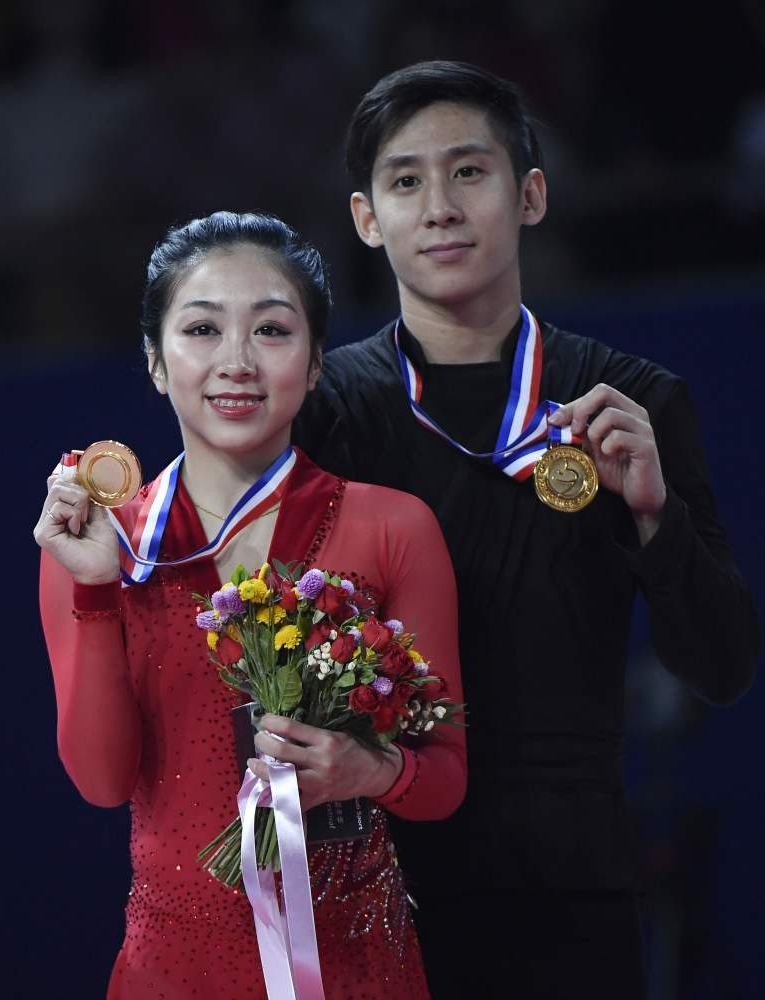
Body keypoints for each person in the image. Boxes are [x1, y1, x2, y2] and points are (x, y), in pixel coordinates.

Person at [292, 61, 760, 999]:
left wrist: (653, 518)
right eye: (405, 180)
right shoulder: (322, 410)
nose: (440, 207)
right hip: (374, 885)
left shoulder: (630, 404)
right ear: (365, 218)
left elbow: (722, 667)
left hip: (569, 893)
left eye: (470, 172)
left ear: (531, 194)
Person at [34, 210, 466, 1000]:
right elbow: (100, 781)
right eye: (201, 329)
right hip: (172, 972)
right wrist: (95, 587)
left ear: (314, 362)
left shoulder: (392, 528)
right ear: (156, 363)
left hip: (357, 969)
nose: (236, 362)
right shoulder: (98, 544)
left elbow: (444, 782)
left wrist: (371, 770)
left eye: (271, 331)